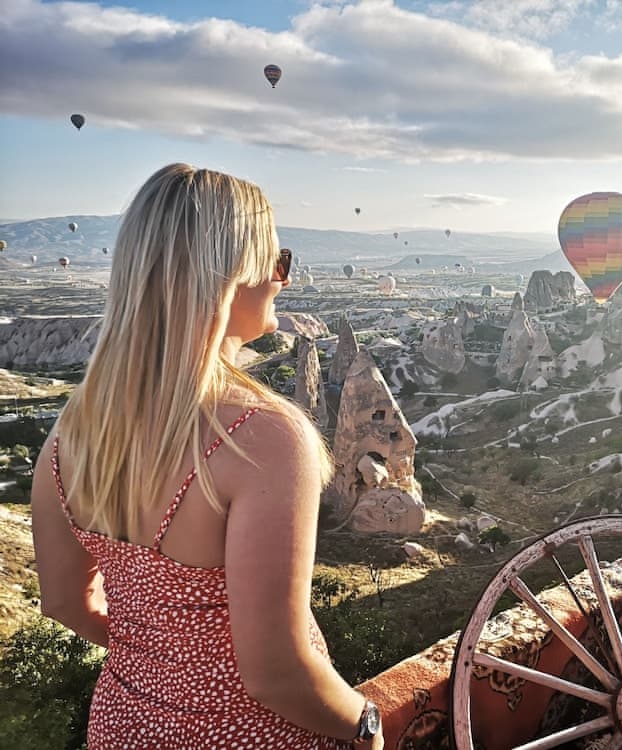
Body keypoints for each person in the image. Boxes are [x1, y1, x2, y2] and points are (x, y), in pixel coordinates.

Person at [31, 164, 384, 750]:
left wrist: (168, 661)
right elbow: (276, 674)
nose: (283, 279)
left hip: (124, 725)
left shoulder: (73, 433)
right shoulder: (262, 438)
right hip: (250, 735)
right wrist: (366, 724)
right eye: (279, 260)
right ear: (233, 272)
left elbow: (65, 601)